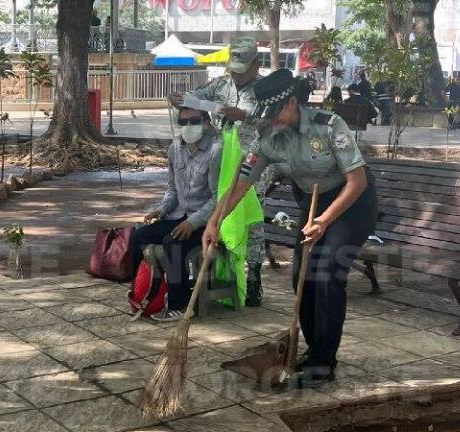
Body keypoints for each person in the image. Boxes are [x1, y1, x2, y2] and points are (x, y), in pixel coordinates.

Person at [202, 68, 378, 388]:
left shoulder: (329, 126)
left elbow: (358, 181)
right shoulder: (267, 137)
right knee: (301, 276)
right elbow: (241, 182)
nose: (272, 121)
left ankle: (324, 362)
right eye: (266, 115)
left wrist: (325, 221)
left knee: (326, 273)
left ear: (293, 103)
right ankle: (313, 349)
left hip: (352, 204)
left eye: (276, 112)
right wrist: (215, 221)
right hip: (312, 203)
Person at [168, 36, 276, 306]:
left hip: (254, 161)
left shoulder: (267, 89)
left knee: (250, 220)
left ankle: (253, 280)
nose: (237, 76)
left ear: (255, 64)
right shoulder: (220, 84)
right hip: (221, 158)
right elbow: (194, 101)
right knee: (218, 213)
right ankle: (221, 275)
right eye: (233, 69)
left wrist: (245, 116)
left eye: (242, 70)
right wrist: (179, 100)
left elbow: (274, 119)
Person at [130, 106, 221, 322]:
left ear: (206, 122)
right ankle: (145, 291)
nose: (188, 127)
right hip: (179, 214)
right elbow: (172, 188)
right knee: (138, 236)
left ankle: (180, 305)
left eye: (194, 121)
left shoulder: (216, 150)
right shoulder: (175, 148)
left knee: (172, 242)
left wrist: (193, 222)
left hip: (205, 220)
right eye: (183, 122)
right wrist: (162, 209)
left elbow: (218, 198)